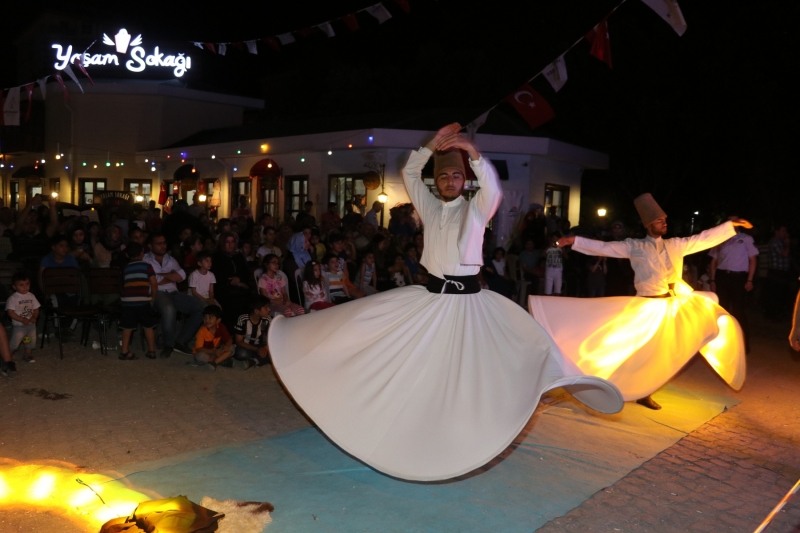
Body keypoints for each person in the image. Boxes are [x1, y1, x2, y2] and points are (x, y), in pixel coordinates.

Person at [268, 123, 621, 482]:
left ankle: (465, 431)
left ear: (464, 179)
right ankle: (400, 425)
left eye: (456, 175)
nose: (450, 181)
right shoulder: (430, 207)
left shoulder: (477, 208)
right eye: (444, 176)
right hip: (432, 298)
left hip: (469, 302)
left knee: (494, 361)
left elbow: (493, 188)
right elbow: (408, 171)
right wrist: (429, 147)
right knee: (394, 352)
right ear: (436, 181)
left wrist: (472, 150)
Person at [535, 193, 750, 410]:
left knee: (662, 354)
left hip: (671, 307)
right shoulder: (635, 246)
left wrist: (729, 226)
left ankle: (645, 392)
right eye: (659, 220)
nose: (664, 223)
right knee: (630, 350)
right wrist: (573, 241)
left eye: (665, 220)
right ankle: (609, 381)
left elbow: (703, 239)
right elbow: (605, 248)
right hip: (646, 307)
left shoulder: (676, 244)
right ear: (649, 225)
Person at [144, 232, 205, 357]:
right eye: (159, 244)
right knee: (168, 308)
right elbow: (150, 280)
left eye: (164, 243)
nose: (163, 246)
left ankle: (181, 341)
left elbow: (181, 275)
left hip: (173, 292)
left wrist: (160, 277)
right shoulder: (145, 259)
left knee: (201, 307)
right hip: (156, 293)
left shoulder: (170, 259)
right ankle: (168, 344)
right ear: (150, 246)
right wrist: (170, 276)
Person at [709, 227, 759, 351]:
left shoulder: (745, 238)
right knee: (722, 309)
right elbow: (714, 262)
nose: (732, 224)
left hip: (738, 277)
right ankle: (722, 343)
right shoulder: (720, 239)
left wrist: (750, 280)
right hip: (722, 276)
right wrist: (712, 280)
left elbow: (753, 259)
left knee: (738, 311)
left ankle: (743, 345)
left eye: (735, 221)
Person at [118, 242, 158, 360]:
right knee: (148, 326)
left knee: (127, 327)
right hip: (143, 301)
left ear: (127, 255)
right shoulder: (147, 266)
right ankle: (151, 351)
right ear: (142, 253)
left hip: (127, 302)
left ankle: (124, 351)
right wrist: (152, 298)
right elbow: (154, 284)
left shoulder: (126, 268)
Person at [5, 272, 40, 363]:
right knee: (15, 342)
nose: (25, 287)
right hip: (19, 325)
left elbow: (36, 309)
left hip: (31, 325)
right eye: (21, 285)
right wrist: (22, 319)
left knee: (30, 340)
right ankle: (7, 358)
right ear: (14, 287)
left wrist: (34, 317)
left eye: (27, 284)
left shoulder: (31, 296)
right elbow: (10, 312)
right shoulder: (13, 298)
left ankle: (28, 354)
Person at [233, 296, 272, 368]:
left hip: (261, 345)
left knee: (275, 353)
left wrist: (264, 349)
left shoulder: (267, 319)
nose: (269, 309)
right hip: (247, 346)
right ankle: (259, 359)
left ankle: (254, 361)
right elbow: (239, 341)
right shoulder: (243, 319)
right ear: (256, 311)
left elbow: (272, 339)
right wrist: (257, 350)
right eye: (266, 307)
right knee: (241, 353)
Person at [191, 305, 234, 369]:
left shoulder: (221, 327)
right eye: (205, 317)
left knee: (232, 348)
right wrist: (213, 352)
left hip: (217, 350)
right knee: (199, 356)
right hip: (206, 352)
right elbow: (199, 348)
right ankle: (221, 361)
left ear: (218, 320)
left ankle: (215, 362)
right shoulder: (202, 331)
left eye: (211, 317)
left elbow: (229, 339)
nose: (207, 320)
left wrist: (226, 346)